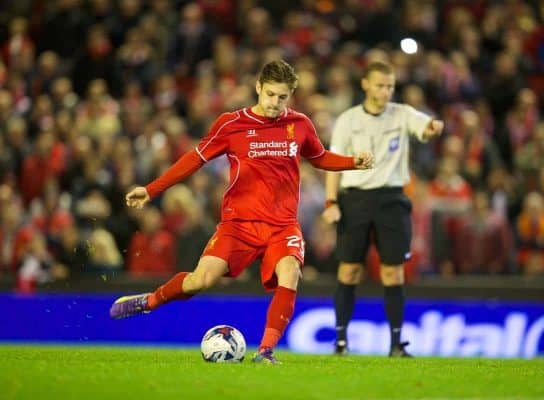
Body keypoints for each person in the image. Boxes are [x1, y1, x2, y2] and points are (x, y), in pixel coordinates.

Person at [109, 60, 373, 364]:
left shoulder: (299, 125)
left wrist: (353, 162)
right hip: (238, 225)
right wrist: (151, 189)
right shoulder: (230, 124)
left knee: (291, 272)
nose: (275, 103)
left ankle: (266, 351)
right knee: (201, 280)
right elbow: (194, 161)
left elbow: (320, 157)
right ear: (258, 87)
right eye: (270, 94)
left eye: (282, 97)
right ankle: (149, 301)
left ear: (291, 96)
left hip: (282, 226)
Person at [321, 61, 444, 357]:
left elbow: (424, 129)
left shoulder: (402, 114)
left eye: (389, 86)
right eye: (380, 85)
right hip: (355, 200)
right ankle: (340, 342)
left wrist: (432, 128)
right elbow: (334, 163)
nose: (385, 91)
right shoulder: (348, 120)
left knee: (393, 272)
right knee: (349, 270)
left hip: (391, 200)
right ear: (365, 84)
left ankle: (396, 345)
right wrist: (331, 202)